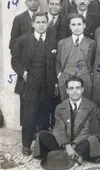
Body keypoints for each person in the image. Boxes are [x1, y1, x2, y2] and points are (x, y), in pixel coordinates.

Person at [11, 12, 58, 155]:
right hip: (29, 84)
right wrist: (24, 73)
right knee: (29, 115)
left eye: (44, 22)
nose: (41, 25)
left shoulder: (53, 42)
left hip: (47, 84)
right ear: (33, 24)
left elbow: (56, 64)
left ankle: (42, 144)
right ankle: (26, 144)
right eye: (38, 22)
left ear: (48, 24)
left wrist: (55, 83)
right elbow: (15, 60)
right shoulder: (23, 40)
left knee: (44, 114)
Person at [33, 76, 100, 164]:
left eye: (77, 88)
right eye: (71, 88)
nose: (74, 91)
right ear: (67, 91)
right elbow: (59, 128)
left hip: (80, 142)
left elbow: (88, 130)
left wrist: (73, 145)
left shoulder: (92, 106)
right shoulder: (60, 107)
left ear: (82, 89)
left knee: (92, 139)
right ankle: (72, 156)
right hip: (65, 144)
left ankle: (63, 155)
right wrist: (67, 146)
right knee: (43, 135)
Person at [9, 0, 41, 128]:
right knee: (25, 100)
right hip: (25, 67)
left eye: (35, 0)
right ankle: (27, 131)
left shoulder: (42, 17)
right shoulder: (19, 19)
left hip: (40, 65)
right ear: (26, 2)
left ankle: (39, 131)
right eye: (30, 0)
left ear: (39, 2)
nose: (33, 2)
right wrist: (22, 64)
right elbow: (12, 43)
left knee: (40, 100)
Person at [56, 14, 96, 100]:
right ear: (69, 26)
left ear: (84, 25)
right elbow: (58, 61)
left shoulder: (91, 43)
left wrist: (91, 76)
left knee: (85, 106)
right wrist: (60, 75)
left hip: (85, 78)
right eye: (73, 25)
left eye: (79, 24)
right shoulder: (63, 43)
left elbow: (93, 61)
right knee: (67, 106)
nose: (76, 27)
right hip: (66, 77)